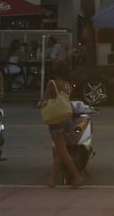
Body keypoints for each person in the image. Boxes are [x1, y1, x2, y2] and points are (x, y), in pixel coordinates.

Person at [41, 59, 85, 188]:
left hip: (56, 120)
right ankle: (52, 179)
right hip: (67, 118)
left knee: (61, 150)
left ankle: (77, 176)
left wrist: (41, 103)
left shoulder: (52, 83)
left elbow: (45, 100)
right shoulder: (68, 84)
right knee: (60, 150)